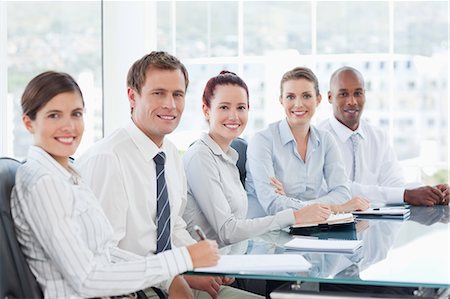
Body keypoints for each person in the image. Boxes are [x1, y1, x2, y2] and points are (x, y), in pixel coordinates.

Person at [11, 71, 219, 299]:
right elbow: (87, 280)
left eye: (76, 114)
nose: (68, 126)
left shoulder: (67, 176)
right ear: (28, 123)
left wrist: (169, 276)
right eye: (54, 116)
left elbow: (105, 252)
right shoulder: (44, 183)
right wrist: (181, 260)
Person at [77, 52, 260, 299]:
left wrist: (207, 264)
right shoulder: (109, 159)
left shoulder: (171, 155)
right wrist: (173, 276)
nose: (170, 105)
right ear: (132, 96)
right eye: (158, 93)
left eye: (177, 94)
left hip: (168, 282)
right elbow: (102, 255)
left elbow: (174, 227)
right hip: (128, 291)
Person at [182, 70, 331, 248]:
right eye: (224, 107)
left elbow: (240, 222)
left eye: (241, 107)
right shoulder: (200, 156)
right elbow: (228, 231)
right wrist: (294, 216)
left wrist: (287, 200)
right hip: (207, 267)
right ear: (206, 110)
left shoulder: (230, 158)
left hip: (231, 260)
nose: (234, 116)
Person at [245, 67, 369, 219]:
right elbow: (273, 205)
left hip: (308, 230)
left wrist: (291, 202)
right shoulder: (262, 141)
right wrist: (337, 208)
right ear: (281, 100)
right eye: (290, 97)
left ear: (318, 100)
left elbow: (342, 192)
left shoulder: (325, 140)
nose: (298, 104)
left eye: (306, 96)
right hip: (265, 236)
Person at [319, 66, 449, 206]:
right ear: (330, 97)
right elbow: (340, 189)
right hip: (332, 224)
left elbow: (394, 184)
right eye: (343, 94)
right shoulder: (318, 138)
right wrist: (406, 195)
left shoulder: (378, 136)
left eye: (358, 93)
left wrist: (432, 193)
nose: (352, 101)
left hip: (374, 225)